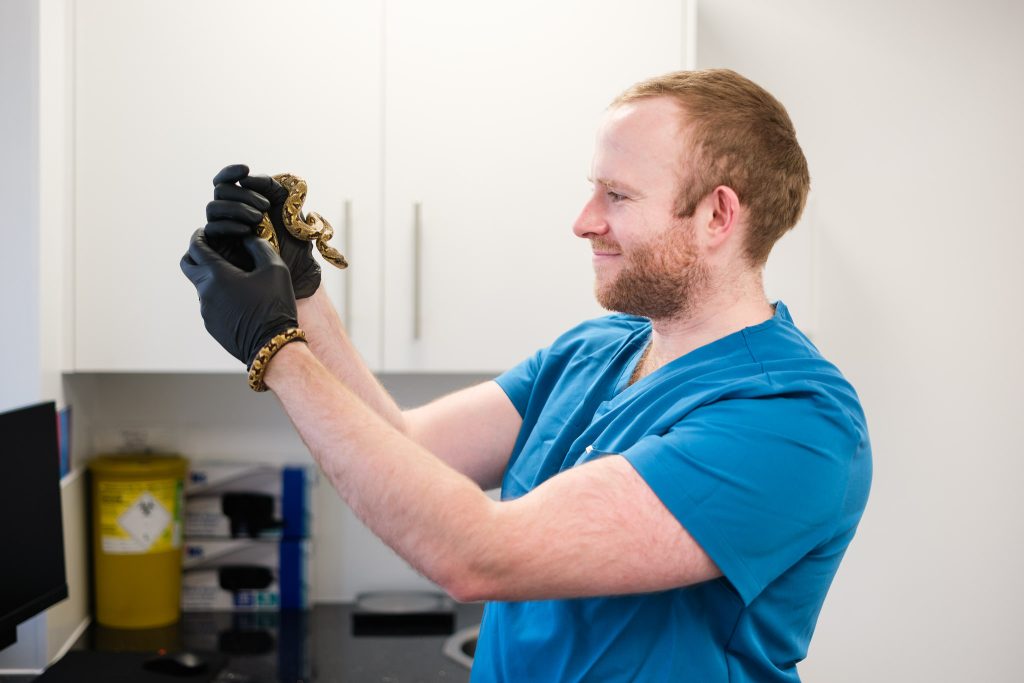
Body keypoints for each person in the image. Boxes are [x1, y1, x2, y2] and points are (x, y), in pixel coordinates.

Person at [181, 68, 871, 682]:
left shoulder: (790, 416)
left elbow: (478, 555)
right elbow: (397, 448)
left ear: (718, 214)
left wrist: (276, 350)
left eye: (618, 196)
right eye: (591, 190)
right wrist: (302, 292)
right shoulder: (597, 349)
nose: (583, 221)